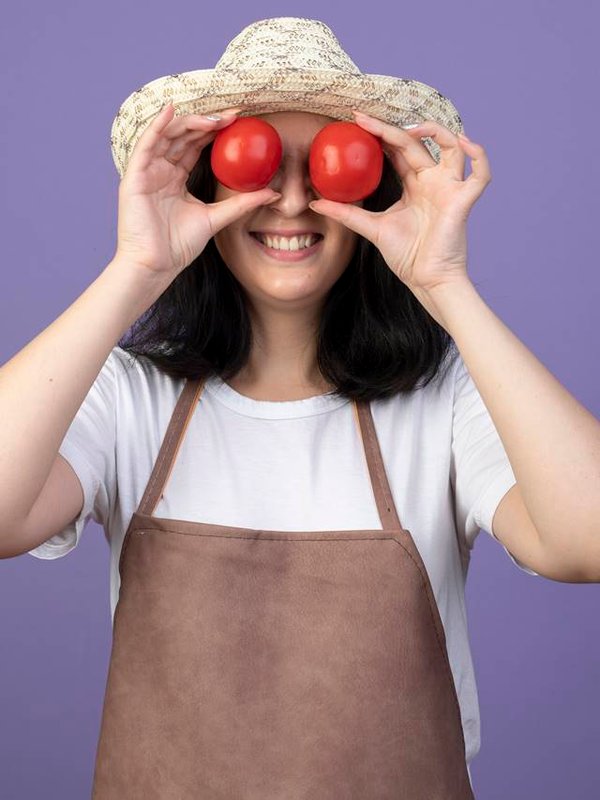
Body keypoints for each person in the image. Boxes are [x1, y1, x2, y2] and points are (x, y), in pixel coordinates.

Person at [2, 15, 599, 800]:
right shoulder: (127, 396)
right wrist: (137, 268)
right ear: (205, 183)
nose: (289, 201)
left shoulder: (445, 400)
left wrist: (446, 286)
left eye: (328, 167)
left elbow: (586, 541)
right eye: (251, 164)